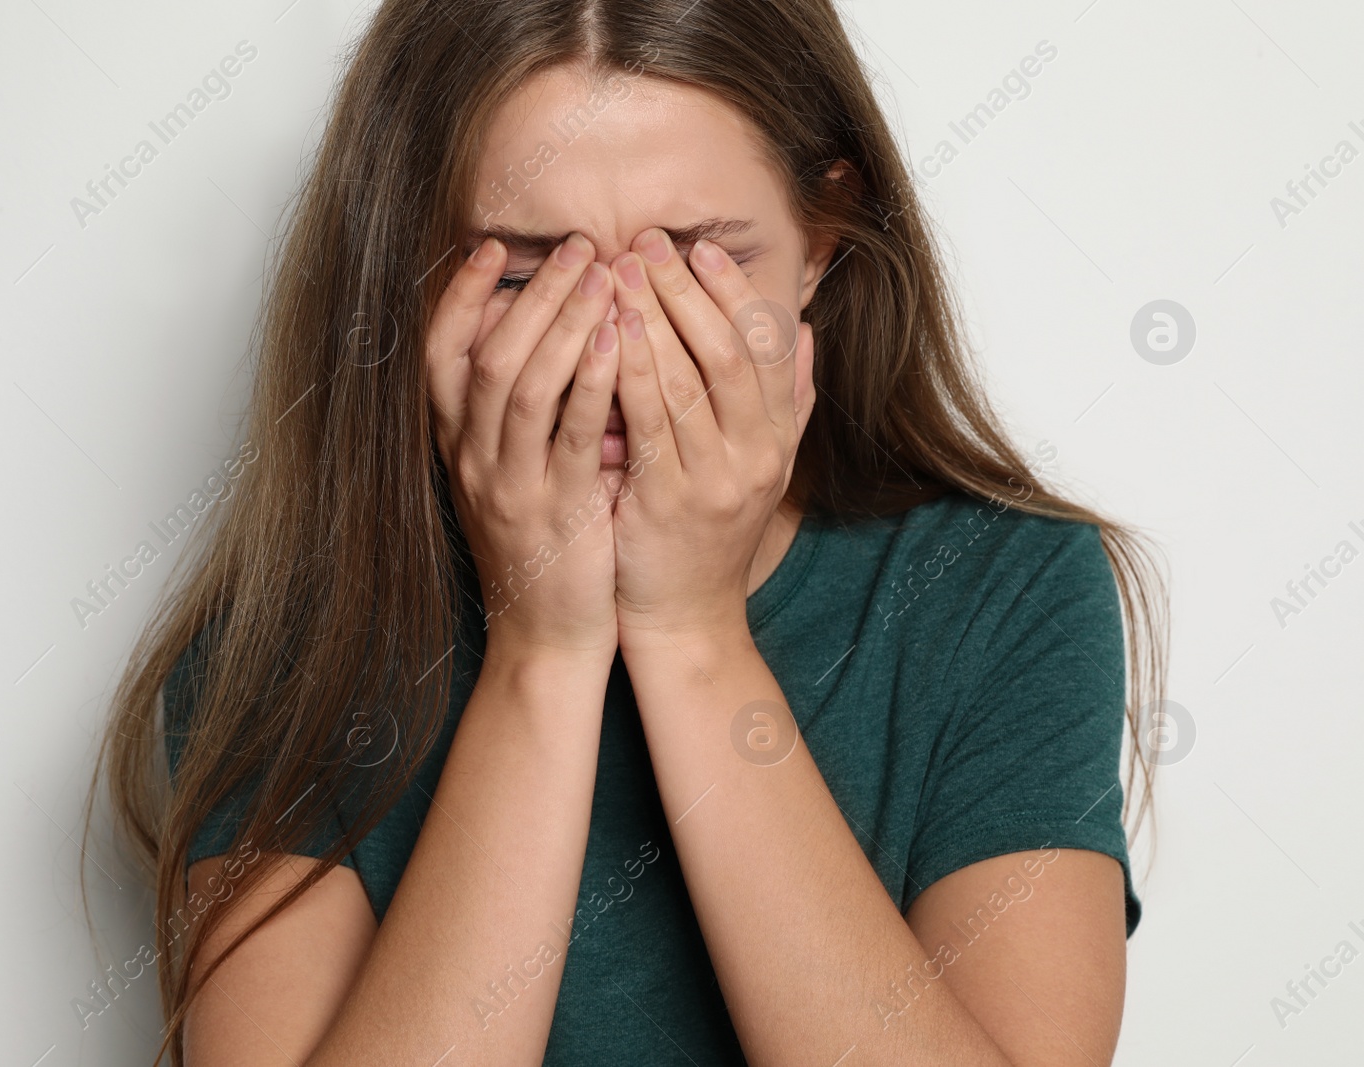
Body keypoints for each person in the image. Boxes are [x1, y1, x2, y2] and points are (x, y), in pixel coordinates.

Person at [88, 2, 1168, 1064]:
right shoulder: (290, 642)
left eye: (698, 261)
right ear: (409, 282)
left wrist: (692, 633)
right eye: (522, 276)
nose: (613, 355)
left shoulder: (1000, 594)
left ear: (821, 245)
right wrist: (542, 650)